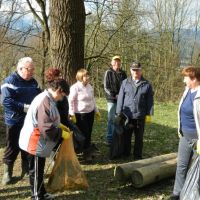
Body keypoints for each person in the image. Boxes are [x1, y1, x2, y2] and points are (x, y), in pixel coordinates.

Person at [19, 78, 71, 200]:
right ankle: (36, 196)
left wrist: (59, 125)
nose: (62, 98)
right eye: (63, 95)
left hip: (40, 143)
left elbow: (49, 119)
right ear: (58, 90)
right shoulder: (45, 101)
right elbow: (46, 128)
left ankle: (42, 193)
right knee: (36, 172)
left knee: (40, 170)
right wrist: (60, 133)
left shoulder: (49, 99)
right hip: (35, 142)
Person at [1, 57, 41, 185]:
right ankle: (7, 172)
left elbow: (40, 97)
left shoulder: (34, 82)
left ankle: (26, 170)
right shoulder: (9, 81)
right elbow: (6, 101)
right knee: (12, 146)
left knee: (27, 145)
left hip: (29, 121)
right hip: (14, 120)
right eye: (29, 69)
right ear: (20, 69)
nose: (32, 72)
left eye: (33, 69)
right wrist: (24, 107)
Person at [171, 66, 200, 200]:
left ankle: (192, 195)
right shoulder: (187, 90)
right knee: (181, 166)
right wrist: (180, 129)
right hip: (184, 135)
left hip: (197, 139)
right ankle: (177, 194)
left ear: (193, 78)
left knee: (196, 170)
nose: (183, 80)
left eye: (185, 77)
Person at [116, 61, 153, 160]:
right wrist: (118, 112)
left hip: (140, 115)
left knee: (139, 138)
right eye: (134, 70)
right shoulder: (125, 82)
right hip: (127, 115)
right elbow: (120, 98)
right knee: (126, 136)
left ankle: (137, 156)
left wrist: (149, 114)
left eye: (137, 70)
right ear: (130, 71)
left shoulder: (147, 84)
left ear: (141, 71)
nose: (135, 72)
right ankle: (126, 154)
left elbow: (150, 100)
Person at [68, 68, 101, 162]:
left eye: (88, 75)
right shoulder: (75, 87)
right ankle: (80, 152)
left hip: (90, 113)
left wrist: (96, 110)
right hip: (80, 115)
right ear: (80, 77)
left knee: (89, 132)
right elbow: (70, 101)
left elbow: (93, 99)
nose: (88, 77)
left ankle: (87, 152)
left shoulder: (90, 86)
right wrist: (71, 113)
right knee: (82, 134)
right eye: (85, 76)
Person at [103, 56, 127, 145]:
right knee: (111, 119)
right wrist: (114, 95)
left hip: (122, 100)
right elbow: (106, 87)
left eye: (119, 61)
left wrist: (123, 96)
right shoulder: (108, 72)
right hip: (111, 100)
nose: (117, 63)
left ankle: (118, 138)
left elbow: (126, 86)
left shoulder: (123, 73)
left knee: (120, 119)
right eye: (116, 61)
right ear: (112, 63)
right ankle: (110, 139)